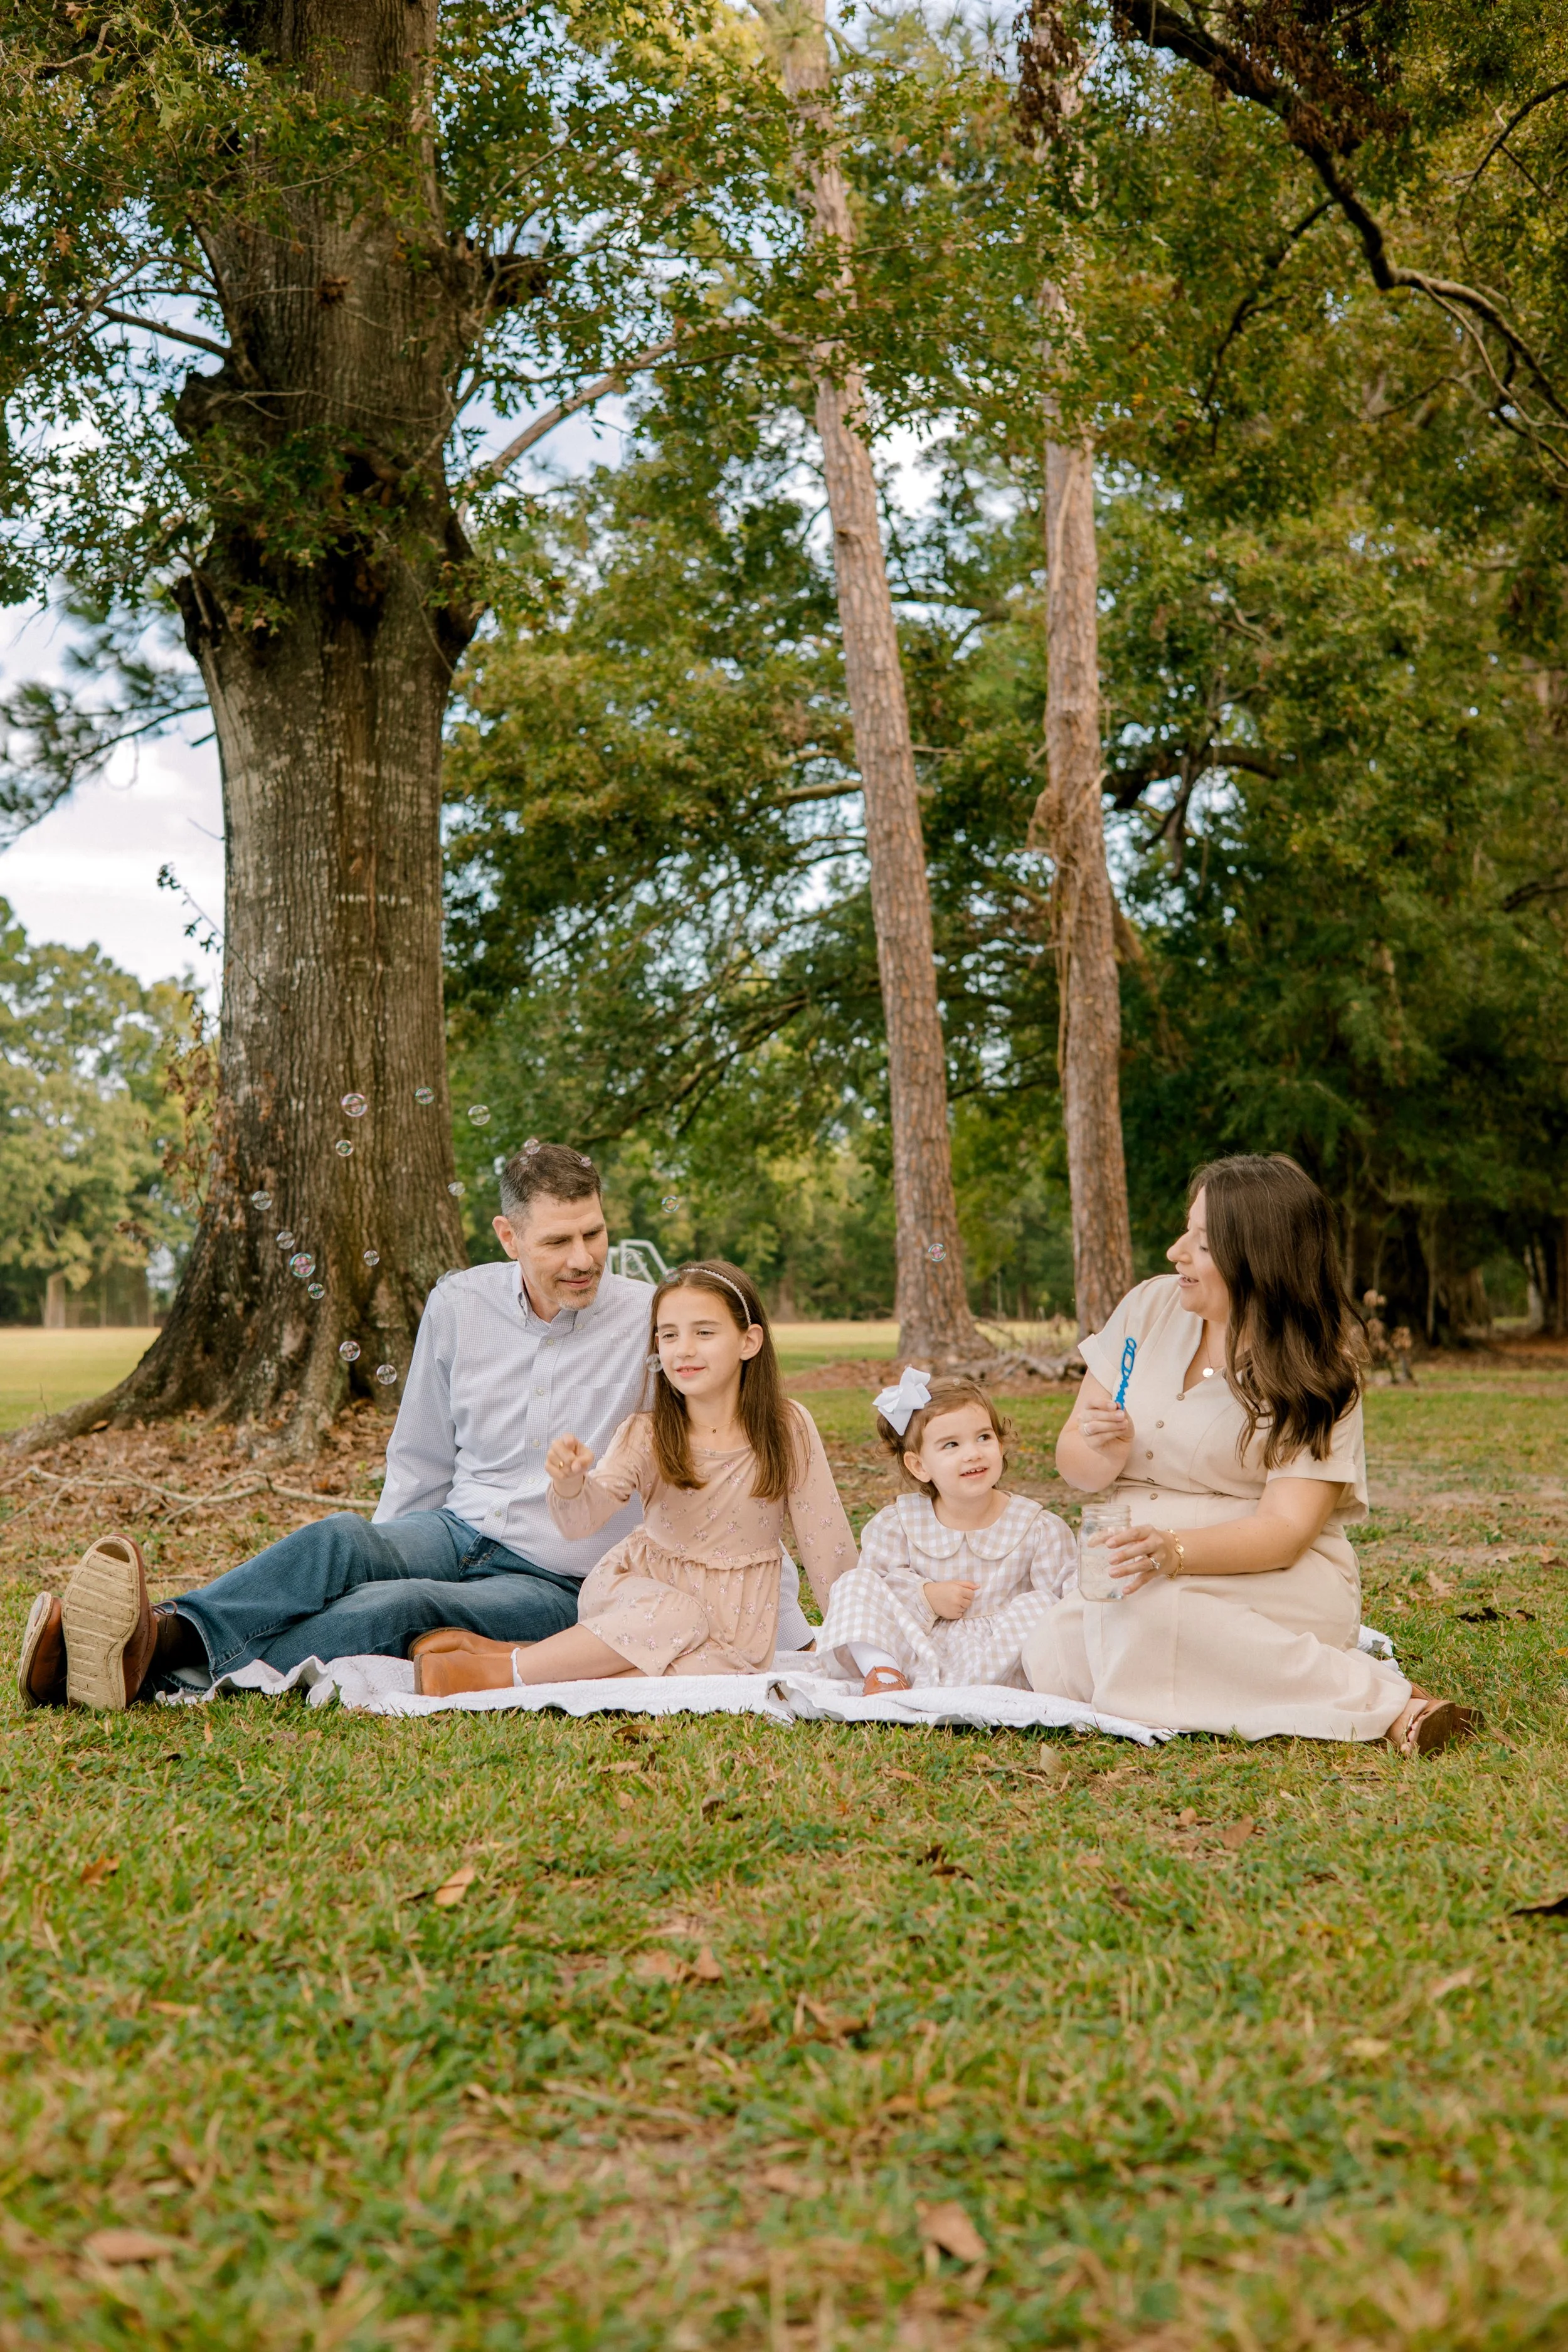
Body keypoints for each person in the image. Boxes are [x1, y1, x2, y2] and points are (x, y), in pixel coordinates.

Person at [18, 1143, 812, 1711]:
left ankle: (141, 1658)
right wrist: (380, 1552)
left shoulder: (651, 1320)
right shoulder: (460, 1302)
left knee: (387, 1612)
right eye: (558, 1241)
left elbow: (731, 1444)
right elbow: (422, 1450)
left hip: (563, 1575)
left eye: (594, 1233)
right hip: (458, 1523)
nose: (583, 1258)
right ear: (508, 1238)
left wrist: (785, 1623)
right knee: (338, 1541)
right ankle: (154, 1641)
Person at [1020, 1153, 1478, 1754]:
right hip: (1132, 1571)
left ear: (1259, 1258)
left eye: (1203, 1243)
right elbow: (1075, 1463)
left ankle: (1391, 1707)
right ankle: (1288, 1671)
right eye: (1187, 1230)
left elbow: (1286, 1530)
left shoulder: (1319, 1363)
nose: (1176, 1252)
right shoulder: (1147, 1309)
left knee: (1148, 1622)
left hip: (1275, 1574)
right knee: (1051, 1651)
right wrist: (1100, 1449)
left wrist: (1173, 1551)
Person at [414, 1259, 856, 1696]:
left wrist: (861, 1643)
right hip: (640, 1592)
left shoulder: (787, 1426)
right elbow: (584, 1518)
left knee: (729, 1672)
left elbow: (826, 1541)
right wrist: (571, 1486)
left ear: (749, 1340)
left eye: (704, 1332)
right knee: (679, 1619)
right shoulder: (648, 1432)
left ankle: (513, 1657)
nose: (683, 1349)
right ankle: (492, 1676)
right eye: (668, 1334)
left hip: (736, 1617)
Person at [810, 1367, 1076, 1694]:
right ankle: (884, 1672)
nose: (973, 1452)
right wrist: (926, 1598)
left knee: (1042, 1605)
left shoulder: (1035, 1527)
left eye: (984, 1437)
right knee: (854, 1583)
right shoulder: (899, 1525)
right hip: (917, 1649)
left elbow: (1068, 1595)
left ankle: (978, 1689)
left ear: (1000, 1444)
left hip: (1002, 1657)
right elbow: (878, 1594)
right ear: (919, 1466)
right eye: (951, 1444)